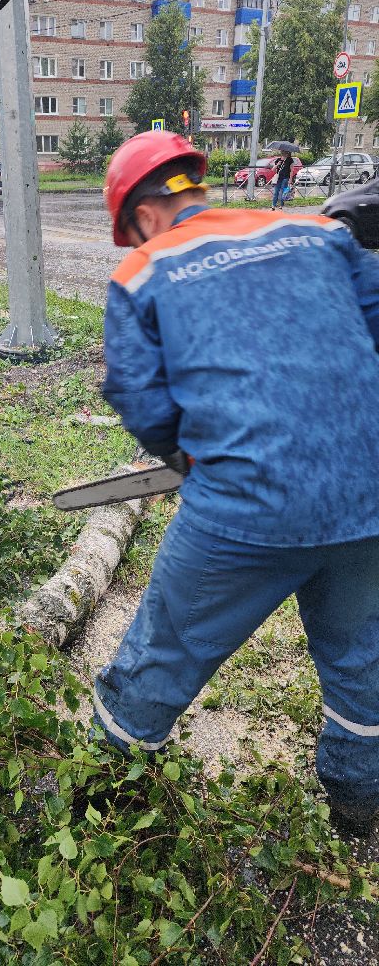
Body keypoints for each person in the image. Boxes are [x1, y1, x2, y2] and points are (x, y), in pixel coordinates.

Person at [94, 130, 379, 832]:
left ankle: (106, 801)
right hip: (369, 498)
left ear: (142, 215)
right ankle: (357, 808)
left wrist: (184, 457)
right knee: (362, 661)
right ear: (193, 185)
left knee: (165, 649)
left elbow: (140, 396)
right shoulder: (317, 230)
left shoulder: (143, 271)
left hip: (246, 510)